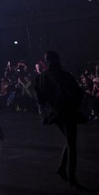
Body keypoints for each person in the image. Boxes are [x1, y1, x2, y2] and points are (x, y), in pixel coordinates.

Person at [34, 51, 85, 188]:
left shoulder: (41, 77)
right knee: (72, 144)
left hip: (53, 113)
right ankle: (72, 179)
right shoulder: (64, 76)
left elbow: (39, 99)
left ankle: (62, 168)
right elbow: (76, 92)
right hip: (66, 111)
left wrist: (44, 114)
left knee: (69, 140)